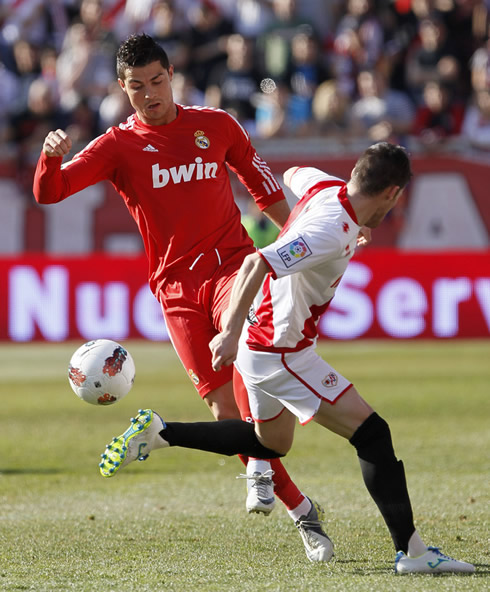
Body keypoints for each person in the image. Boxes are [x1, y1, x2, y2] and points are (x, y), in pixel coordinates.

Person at [98, 142, 475, 574]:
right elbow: (256, 264)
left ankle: (162, 433)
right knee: (372, 434)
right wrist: (230, 331)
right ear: (392, 194)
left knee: (271, 443)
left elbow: (296, 171)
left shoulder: (325, 187)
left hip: (265, 346)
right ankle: (414, 553)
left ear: (355, 173)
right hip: (280, 350)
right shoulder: (330, 232)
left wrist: (357, 224)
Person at [33, 33, 327, 562]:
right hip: (175, 291)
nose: (150, 94)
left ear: (173, 75)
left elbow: (267, 193)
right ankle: (303, 511)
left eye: (158, 81)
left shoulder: (215, 126)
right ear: (123, 89)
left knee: (239, 365)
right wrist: (50, 158)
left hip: (232, 270)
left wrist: (310, 248)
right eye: (137, 87)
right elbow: (50, 193)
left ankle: (260, 470)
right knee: (221, 411)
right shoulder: (117, 145)